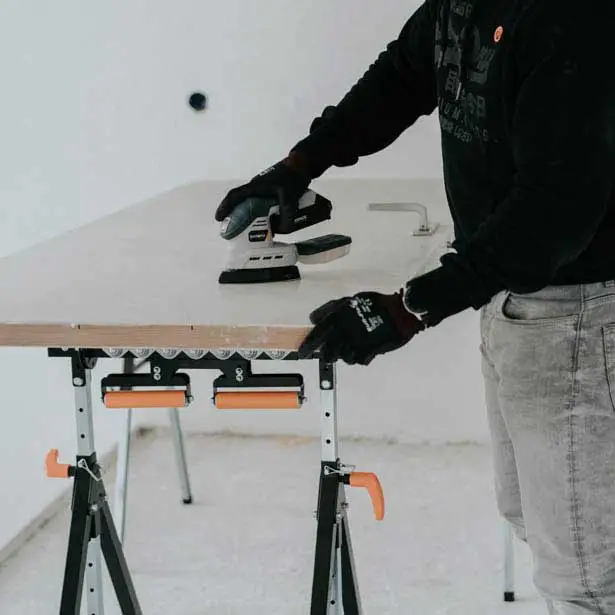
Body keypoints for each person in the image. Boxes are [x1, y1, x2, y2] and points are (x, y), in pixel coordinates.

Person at [215, 0, 615, 611]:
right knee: (536, 521)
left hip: (576, 315)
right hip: (511, 295)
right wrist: (299, 165)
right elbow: (402, 77)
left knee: (583, 573)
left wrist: (411, 307)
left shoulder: (573, 19)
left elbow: (554, 212)